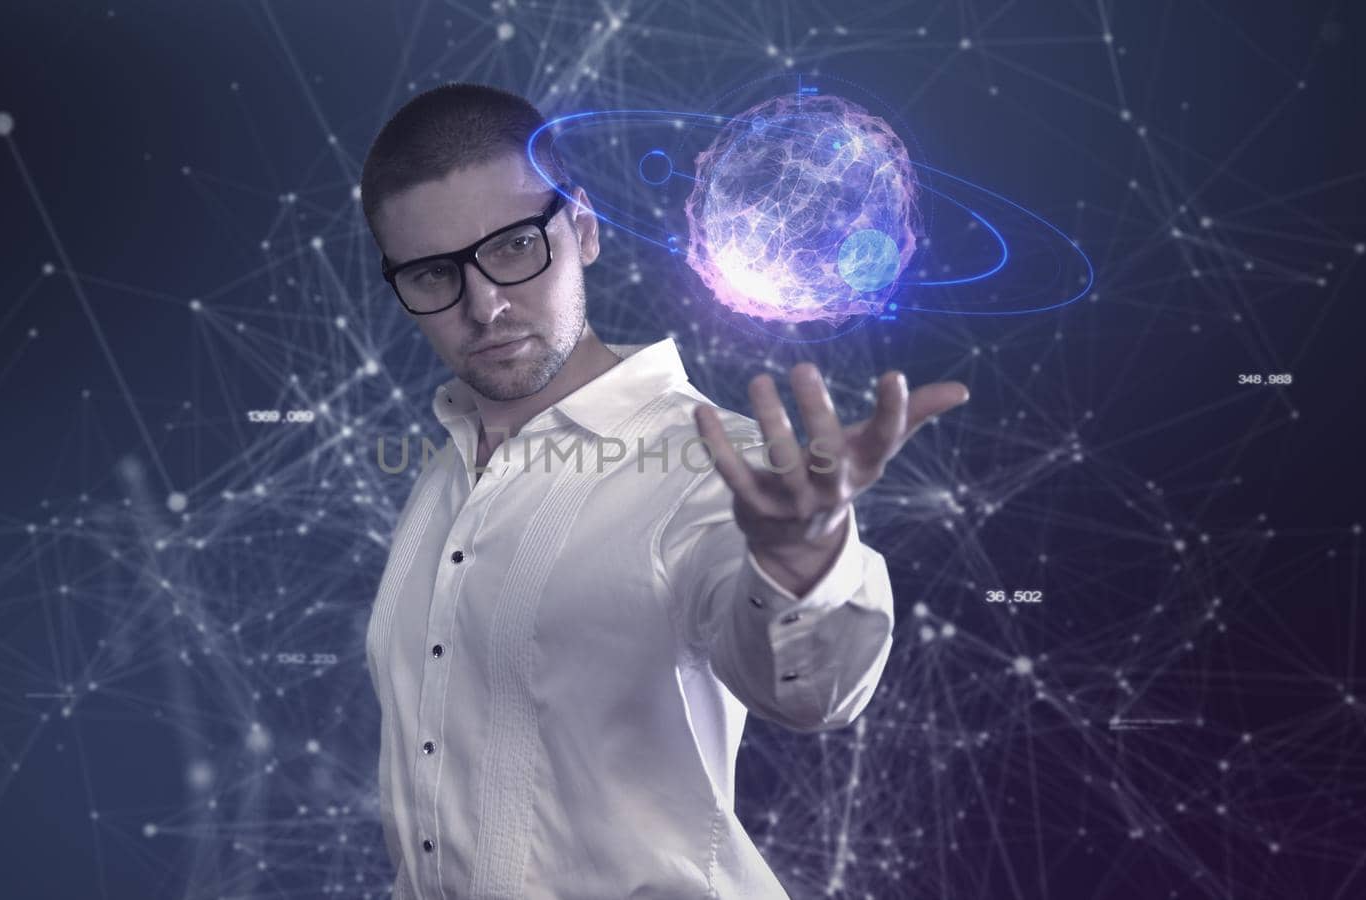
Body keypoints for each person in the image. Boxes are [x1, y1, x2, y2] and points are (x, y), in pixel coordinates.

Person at [359, 82, 969, 898]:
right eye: (434, 273)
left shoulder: (720, 465)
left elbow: (814, 695)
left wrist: (802, 558)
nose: (486, 305)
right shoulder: (440, 477)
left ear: (582, 228)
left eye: (511, 246)